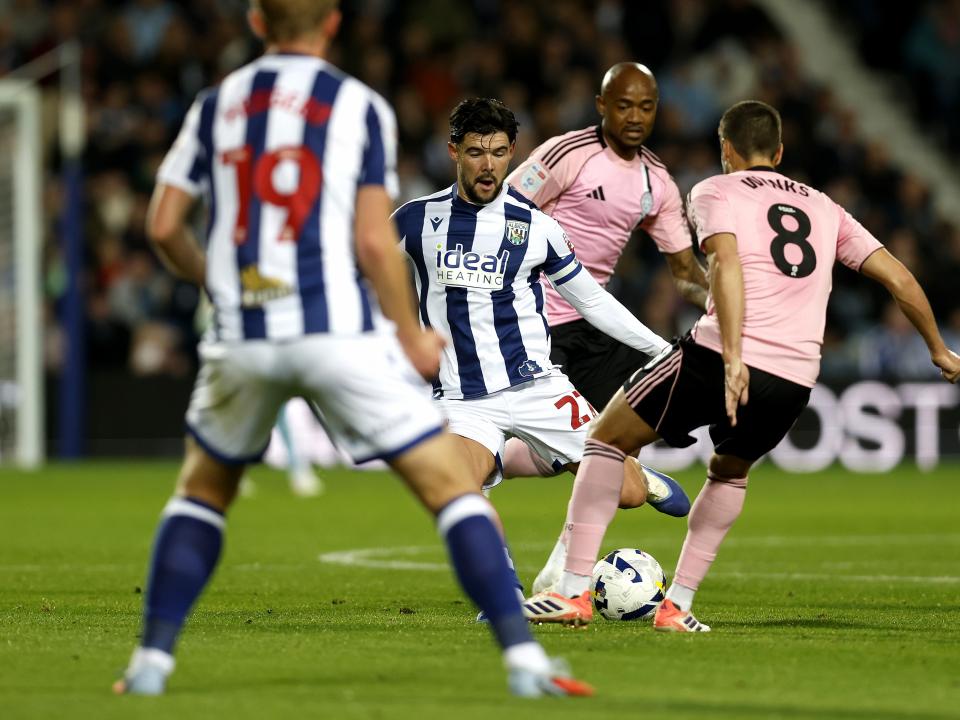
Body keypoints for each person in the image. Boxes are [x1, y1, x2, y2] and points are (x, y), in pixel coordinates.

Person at [112, 0, 591, 698]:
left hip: (244, 330)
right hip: (334, 328)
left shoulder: (218, 104)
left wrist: (220, 281)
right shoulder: (357, 105)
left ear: (255, 21)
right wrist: (408, 332)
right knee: (449, 489)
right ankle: (524, 662)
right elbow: (374, 241)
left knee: (201, 494)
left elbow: (162, 226)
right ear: (332, 23)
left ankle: (150, 664)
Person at [521, 99, 960, 627]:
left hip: (719, 355)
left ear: (726, 149)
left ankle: (572, 594)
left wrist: (731, 355)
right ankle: (677, 607)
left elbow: (725, 263)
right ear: (779, 151)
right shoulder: (825, 207)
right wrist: (938, 349)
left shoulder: (713, 190)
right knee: (728, 473)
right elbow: (899, 278)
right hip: (796, 376)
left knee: (604, 440)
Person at [393, 98, 689, 619]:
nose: (489, 165)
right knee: (456, 488)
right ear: (454, 153)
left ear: (513, 155)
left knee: (625, 492)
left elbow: (592, 302)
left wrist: (664, 352)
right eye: (477, 153)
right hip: (462, 401)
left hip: (538, 387)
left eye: (501, 153)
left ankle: (638, 476)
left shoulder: (536, 227)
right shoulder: (416, 221)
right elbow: (367, 273)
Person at [500, 63, 705, 593]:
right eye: (623, 105)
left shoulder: (656, 181)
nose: (635, 117)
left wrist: (728, 305)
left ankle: (555, 577)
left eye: (646, 107)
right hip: (535, 318)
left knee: (655, 408)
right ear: (601, 105)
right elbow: (502, 215)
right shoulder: (566, 154)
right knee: (569, 447)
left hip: (594, 325)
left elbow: (685, 272)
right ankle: (630, 481)